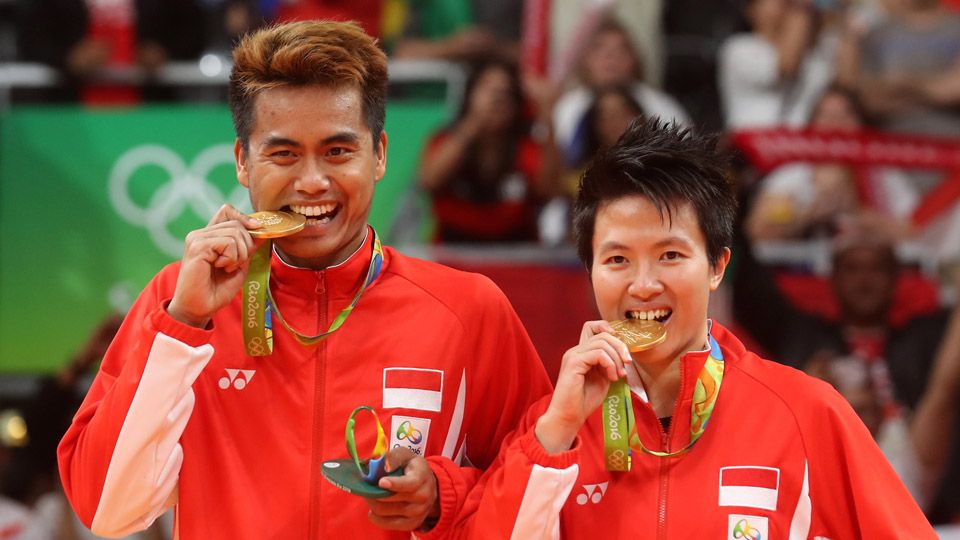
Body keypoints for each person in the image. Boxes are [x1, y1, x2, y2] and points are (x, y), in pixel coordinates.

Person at [57, 20, 552, 539]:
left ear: (379, 153)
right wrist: (183, 324)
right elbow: (105, 509)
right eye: (284, 153)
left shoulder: (468, 310)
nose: (313, 181)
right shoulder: (178, 301)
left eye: (338, 151)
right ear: (243, 162)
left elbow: (541, 503)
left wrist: (443, 498)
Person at [443, 118, 937, 538]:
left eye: (671, 255)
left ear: (717, 266)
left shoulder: (807, 414)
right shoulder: (552, 430)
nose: (643, 284)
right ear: (589, 271)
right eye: (617, 259)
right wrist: (556, 434)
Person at [419, 56, 559, 243]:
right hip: (453, 253)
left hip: (515, 254)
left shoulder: (525, 145)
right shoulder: (446, 139)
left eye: (505, 92)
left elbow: (549, 191)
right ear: (470, 95)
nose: (497, 98)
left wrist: (547, 115)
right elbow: (430, 180)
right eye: (488, 89)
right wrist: (474, 122)